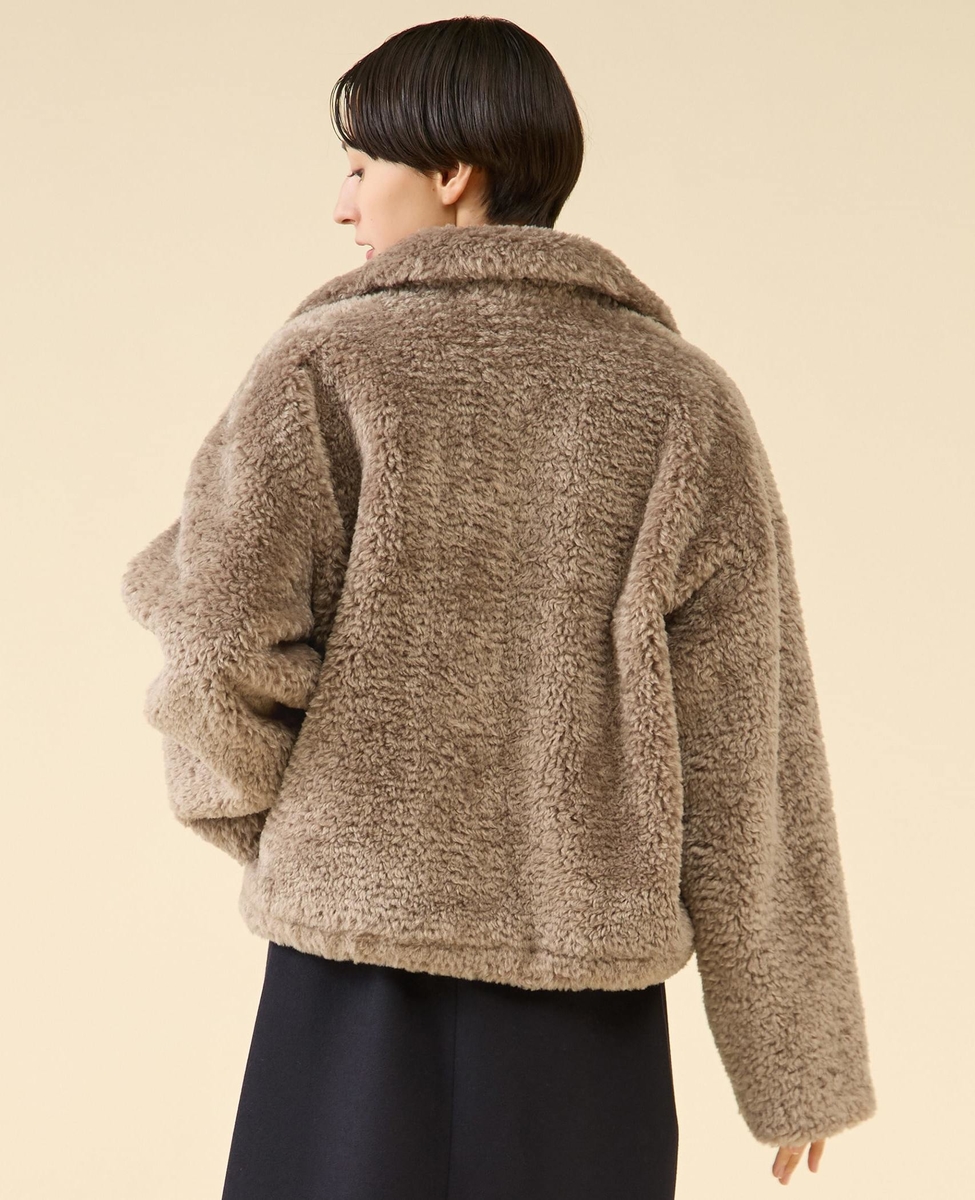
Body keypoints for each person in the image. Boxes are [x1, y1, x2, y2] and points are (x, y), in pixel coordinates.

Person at [119, 16, 877, 1199]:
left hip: (352, 977)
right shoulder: (682, 402)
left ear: (454, 172)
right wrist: (796, 1061)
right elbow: (751, 748)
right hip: (586, 1012)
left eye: (361, 166)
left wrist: (290, 829)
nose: (342, 205)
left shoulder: (322, 367)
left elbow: (217, 643)